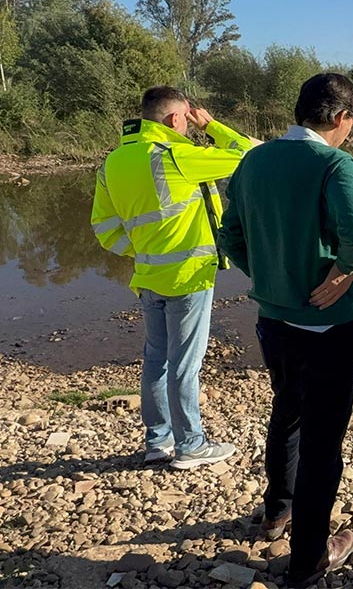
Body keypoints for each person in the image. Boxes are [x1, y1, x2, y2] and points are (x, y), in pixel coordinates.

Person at [219, 73, 353, 589]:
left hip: (272, 318)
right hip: (328, 324)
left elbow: (232, 234)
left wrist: (265, 276)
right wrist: (344, 270)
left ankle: (276, 511)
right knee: (323, 440)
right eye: (351, 124)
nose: (350, 133)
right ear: (341, 118)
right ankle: (311, 558)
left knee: (286, 408)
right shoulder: (334, 162)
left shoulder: (253, 160)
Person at [91, 86, 257, 469]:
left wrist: (143, 251)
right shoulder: (176, 155)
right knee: (185, 364)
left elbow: (105, 228)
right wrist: (213, 125)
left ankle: (157, 442)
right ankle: (191, 446)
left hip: (148, 275)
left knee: (156, 360)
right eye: (186, 118)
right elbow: (248, 155)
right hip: (187, 277)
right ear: (175, 119)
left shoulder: (113, 162)